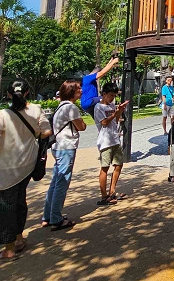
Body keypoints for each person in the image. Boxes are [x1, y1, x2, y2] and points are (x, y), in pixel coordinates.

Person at [0, 79, 51, 260]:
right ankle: (19, 238)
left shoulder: (3, 114)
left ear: (8, 94)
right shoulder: (36, 109)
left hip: (6, 168)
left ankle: (9, 248)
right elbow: (46, 132)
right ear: (28, 92)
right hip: (27, 164)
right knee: (20, 200)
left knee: (6, 206)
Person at [41, 80, 86, 230]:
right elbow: (81, 126)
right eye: (78, 88)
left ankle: (48, 216)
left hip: (57, 146)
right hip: (66, 147)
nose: (81, 90)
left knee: (55, 182)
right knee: (62, 182)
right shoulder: (71, 107)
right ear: (71, 91)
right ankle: (56, 218)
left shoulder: (61, 106)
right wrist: (82, 124)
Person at [94, 83, 129, 206]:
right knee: (105, 167)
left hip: (115, 139)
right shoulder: (98, 107)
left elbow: (116, 119)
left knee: (118, 165)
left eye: (114, 96)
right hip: (105, 141)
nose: (112, 98)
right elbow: (104, 122)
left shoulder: (112, 105)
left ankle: (112, 190)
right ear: (104, 94)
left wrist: (119, 111)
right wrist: (115, 113)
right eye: (110, 95)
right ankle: (104, 196)